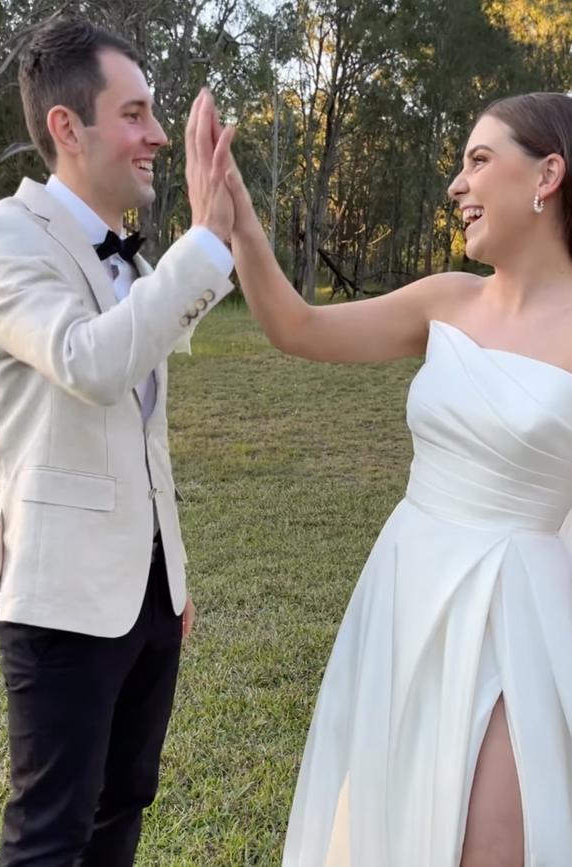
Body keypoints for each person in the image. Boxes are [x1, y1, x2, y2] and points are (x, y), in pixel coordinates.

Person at [223, 91, 572, 865]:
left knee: (502, 837)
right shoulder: (447, 300)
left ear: (549, 173)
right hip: (408, 583)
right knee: (393, 814)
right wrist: (242, 222)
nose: (457, 184)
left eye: (479, 160)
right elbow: (297, 326)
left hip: (526, 609)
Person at [0, 18, 235, 867]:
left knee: (122, 815)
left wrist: (169, 576)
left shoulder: (133, 266)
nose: (154, 135)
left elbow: (142, 424)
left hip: (146, 599)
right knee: (50, 837)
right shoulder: (2, 238)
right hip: (62, 598)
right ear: (67, 129)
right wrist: (206, 241)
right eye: (135, 113)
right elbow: (90, 363)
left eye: (154, 115)